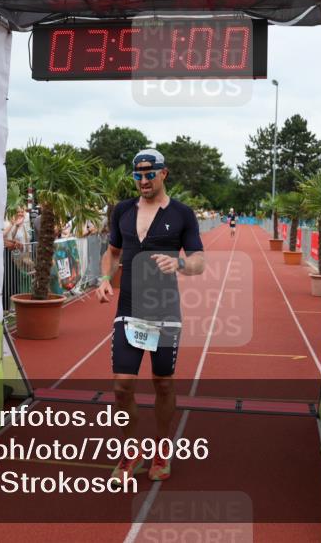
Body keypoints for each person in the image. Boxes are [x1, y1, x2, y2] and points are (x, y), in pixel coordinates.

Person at [96, 148, 205, 483]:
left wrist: (180, 263)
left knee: (162, 382)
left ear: (163, 174)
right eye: (137, 175)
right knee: (121, 385)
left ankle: (161, 448)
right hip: (128, 308)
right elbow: (112, 252)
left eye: (149, 174)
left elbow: (199, 260)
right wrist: (103, 278)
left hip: (165, 310)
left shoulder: (183, 214)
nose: (143, 181)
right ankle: (131, 453)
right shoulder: (123, 211)